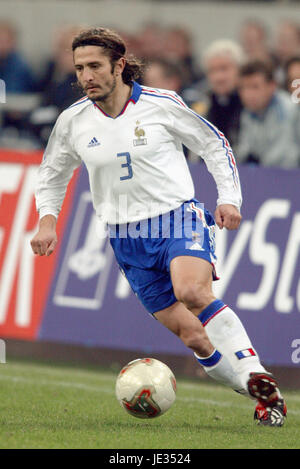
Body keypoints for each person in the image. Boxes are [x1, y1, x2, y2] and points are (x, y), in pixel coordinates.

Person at [30, 27, 286, 426]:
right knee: (194, 337)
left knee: (192, 291)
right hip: (125, 237)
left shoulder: (160, 104)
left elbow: (213, 144)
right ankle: (260, 394)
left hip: (176, 218)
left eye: (95, 66)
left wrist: (228, 198)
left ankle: (257, 375)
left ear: (119, 65)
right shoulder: (73, 121)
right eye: (80, 68)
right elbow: (52, 174)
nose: (86, 76)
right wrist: (47, 223)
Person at [237, 60, 298, 168]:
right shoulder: (246, 114)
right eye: (244, 88)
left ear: (272, 86)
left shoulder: (289, 109)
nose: (248, 94)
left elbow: (285, 158)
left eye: (255, 87)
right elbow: (244, 151)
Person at [201, 40, 245, 152]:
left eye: (224, 69)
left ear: (239, 70)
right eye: (212, 71)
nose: (218, 77)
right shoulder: (203, 104)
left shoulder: (250, 103)